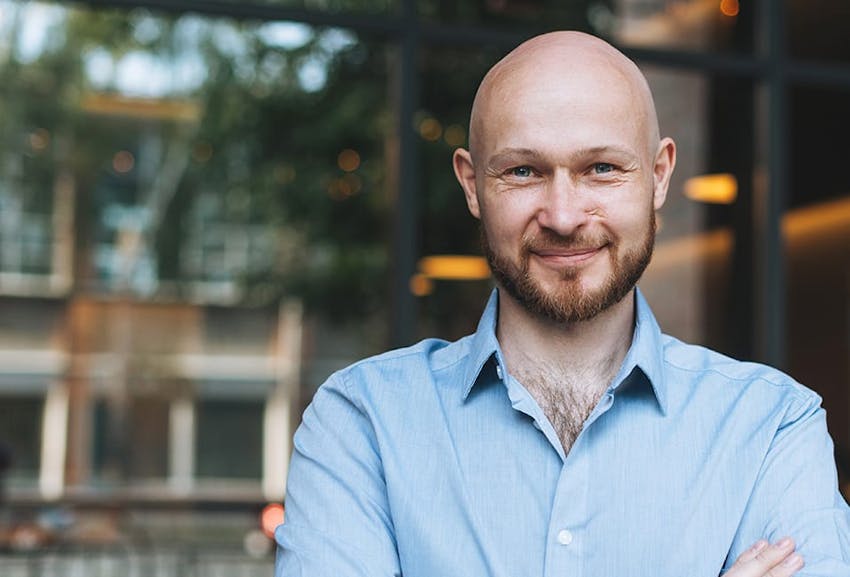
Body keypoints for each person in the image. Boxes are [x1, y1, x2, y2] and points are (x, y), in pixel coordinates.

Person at [274, 31, 850, 576]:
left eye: (601, 169)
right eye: (523, 171)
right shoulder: (362, 423)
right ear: (473, 185)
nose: (565, 215)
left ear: (658, 175)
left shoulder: (773, 425)